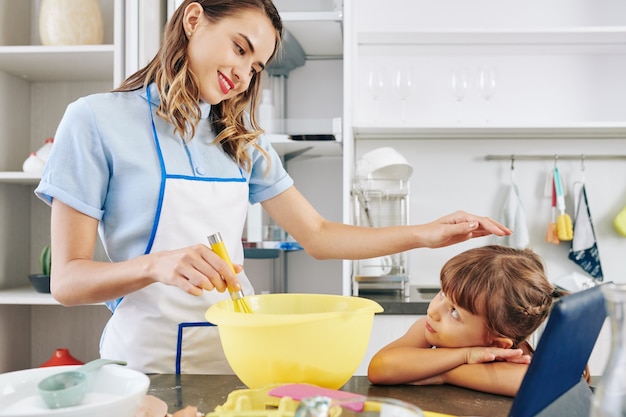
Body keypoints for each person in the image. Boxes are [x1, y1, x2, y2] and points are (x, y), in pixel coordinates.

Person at [34, 0, 511, 374]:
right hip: (142, 368)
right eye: (240, 48)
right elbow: (68, 281)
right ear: (194, 19)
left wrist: (424, 234)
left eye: (256, 66)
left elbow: (319, 236)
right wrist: (158, 264)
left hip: (236, 361)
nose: (243, 75)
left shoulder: (242, 143)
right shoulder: (95, 120)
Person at [368, 245, 563, 397]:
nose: (434, 311)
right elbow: (380, 367)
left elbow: (541, 385)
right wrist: (466, 354)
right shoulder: (428, 328)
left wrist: (443, 374)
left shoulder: (510, 354)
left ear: (495, 342)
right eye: (442, 294)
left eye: (454, 313)